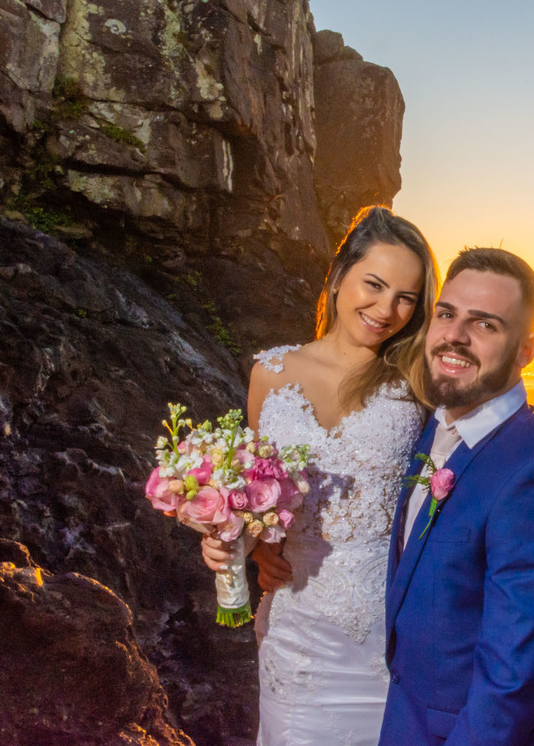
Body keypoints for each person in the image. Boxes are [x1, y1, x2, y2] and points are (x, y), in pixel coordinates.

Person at [201, 206, 438, 746]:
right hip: (296, 628)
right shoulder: (271, 372)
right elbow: (257, 494)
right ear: (336, 278)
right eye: (374, 285)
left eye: (407, 298)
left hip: (388, 635)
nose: (387, 310)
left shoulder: (418, 382)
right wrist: (238, 545)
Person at [380, 248, 534, 746]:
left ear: (527, 349)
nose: (454, 335)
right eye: (447, 315)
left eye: (486, 325)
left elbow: (510, 684)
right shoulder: (434, 424)